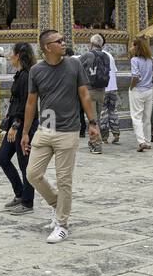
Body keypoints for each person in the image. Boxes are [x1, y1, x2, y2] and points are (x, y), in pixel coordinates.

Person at [23, 29, 98, 242]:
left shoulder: (74, 65)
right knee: (32, 174)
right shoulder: (36, 71)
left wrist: (92, 122)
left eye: (64, 40)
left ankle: (62, 223)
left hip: (68, 129)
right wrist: (26, 132)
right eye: (59, 41)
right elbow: (31, 102)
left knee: (64, 180)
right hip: (45, 128)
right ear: (47, 47)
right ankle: (57, 204)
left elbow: (84, 94)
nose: (64, 43)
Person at [0, 42, 38, 214]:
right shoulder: (20, 74)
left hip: (23, 125)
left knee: (25, 164)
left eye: (12, 53)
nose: (9, 56)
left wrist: (16, 126)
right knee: (3, 157)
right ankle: (20, 192)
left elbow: (26, 105)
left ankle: (28, 202)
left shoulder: (26, 76)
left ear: (19, 56)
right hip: (15, 123)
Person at [80, 35, 114, 154]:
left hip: (90, 91)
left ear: (91, 44)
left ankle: (96, 145)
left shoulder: (87, 55)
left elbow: (77, 68)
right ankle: (94, 141)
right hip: (101, 90)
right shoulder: (106, 56)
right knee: (96, 118)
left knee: (91, 120)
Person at [128, 37, 153, 151]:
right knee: (147, 118)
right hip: (149, 90)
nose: (131, 48)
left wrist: (132, 87)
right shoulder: (151, 59)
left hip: (138, 90)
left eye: (133, 45)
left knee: (136, 116)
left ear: (137, 47)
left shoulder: (134, 60)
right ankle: (148, 141)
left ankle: (141, 141)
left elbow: (135, 76)